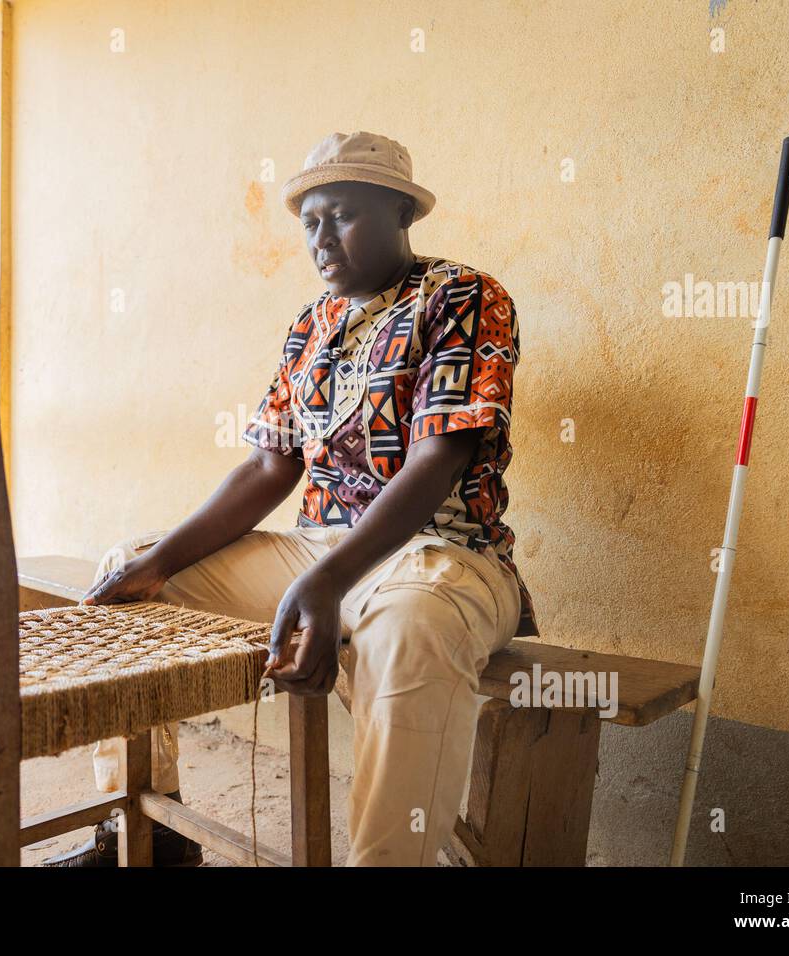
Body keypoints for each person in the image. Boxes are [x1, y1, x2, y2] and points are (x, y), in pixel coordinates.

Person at [44, 130, 538, 867]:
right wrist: (161, 562)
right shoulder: (312, 326)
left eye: (342, 214)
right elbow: (268, 469)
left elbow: (439, 458)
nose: (322, 238)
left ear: (401, 211)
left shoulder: (462, 296)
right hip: (320, 552)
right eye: (309, 221)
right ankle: (150, 841)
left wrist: (327, 581)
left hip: (442, 556)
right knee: (133, 570)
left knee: (409, 634)